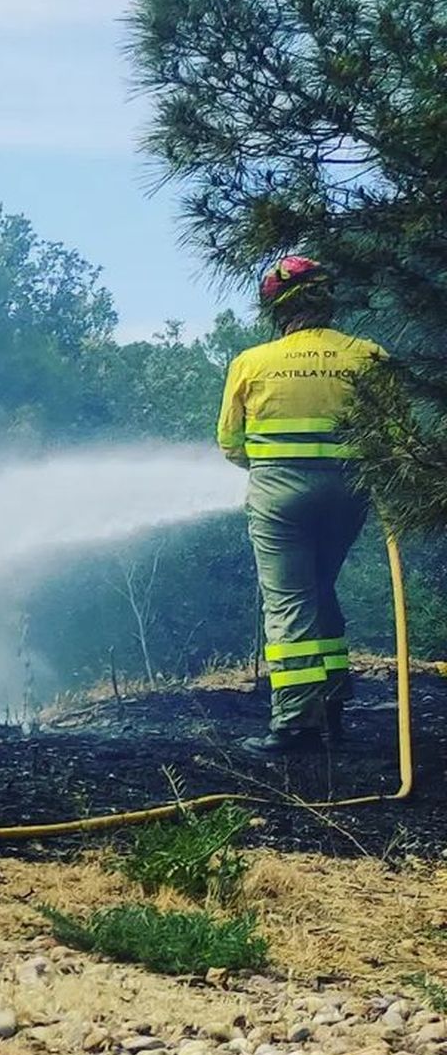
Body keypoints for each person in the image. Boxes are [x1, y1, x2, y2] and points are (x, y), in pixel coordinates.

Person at [216, 256, 388, 754]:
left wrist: (276, 469)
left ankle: (295, 724)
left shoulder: (252, 363)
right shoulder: (370, 355)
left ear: (274, 307)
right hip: (351, 490)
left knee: (289, 599)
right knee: (320, 586)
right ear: (329, 300)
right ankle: (333, 705)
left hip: (278, 494)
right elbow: (394, 437)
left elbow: (230, 442)